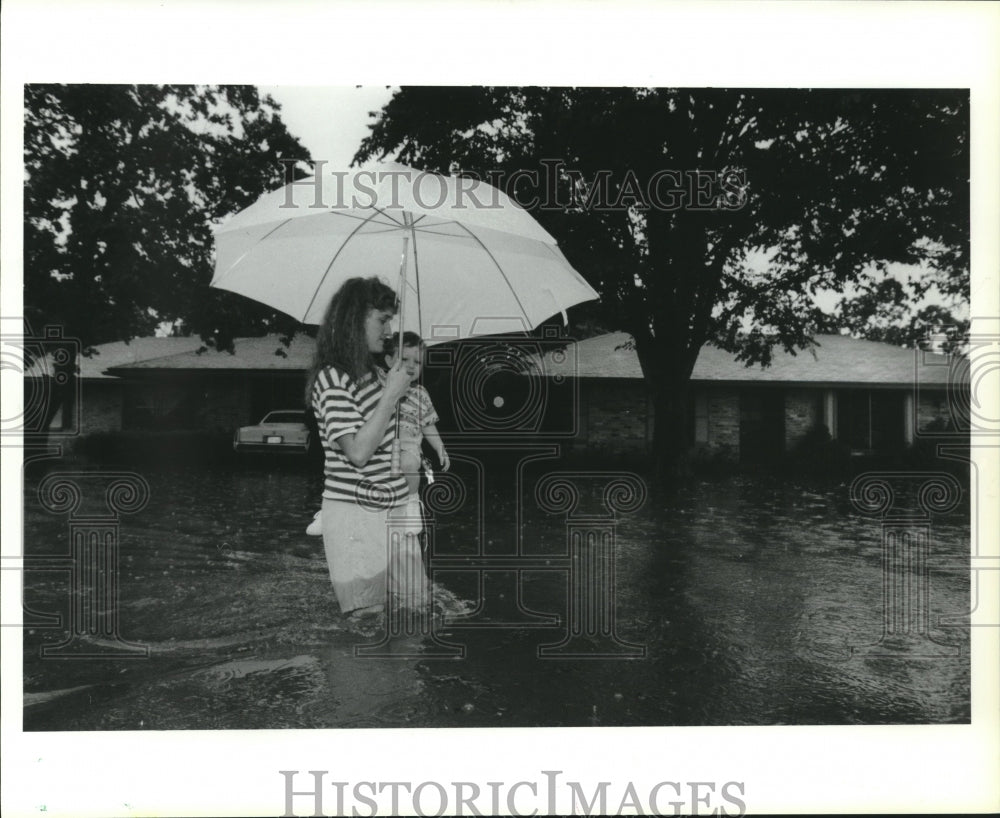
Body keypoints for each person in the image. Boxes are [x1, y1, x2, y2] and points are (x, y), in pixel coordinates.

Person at [304, 276, 429, 618]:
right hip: (356, 517)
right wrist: (390, 395)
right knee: (367, 625)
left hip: (395, 511)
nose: (389, 330)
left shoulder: (376, 373)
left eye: (391, 320)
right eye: (382, 319)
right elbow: (358, 453)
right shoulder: (332, 378)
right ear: (353, 318)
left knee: (413, 614)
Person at [383, 331, 450, 502]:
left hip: (409, 446)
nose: (411, 365)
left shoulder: (421, 394)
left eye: (418, 362)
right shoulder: (380, 386)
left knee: (409, 465)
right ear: (389, 360)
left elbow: (428, 424)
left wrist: (439, 448)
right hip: (381, 445)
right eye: (404, 359)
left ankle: (412, 500)